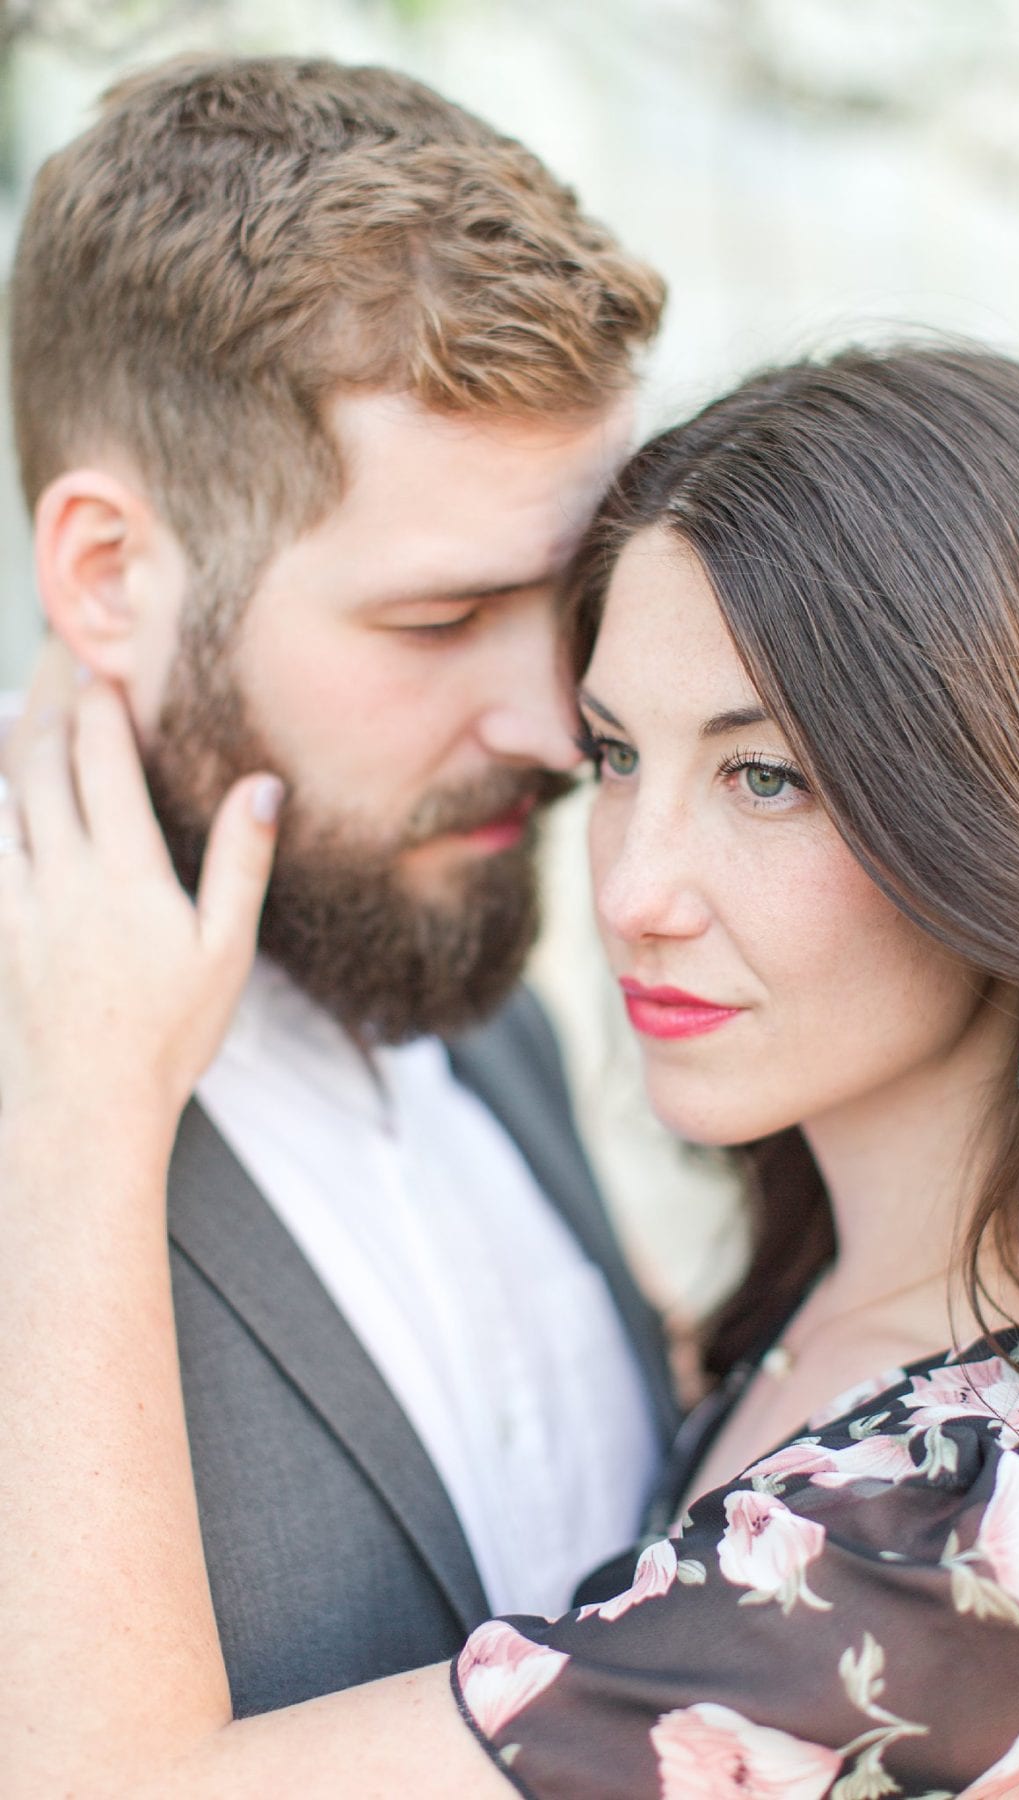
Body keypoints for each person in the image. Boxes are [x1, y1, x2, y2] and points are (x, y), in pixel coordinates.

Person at [5, 342, 1019, 1796]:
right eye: (618, 755)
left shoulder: (958, 1553)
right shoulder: (874, 1303)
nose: (636, 888)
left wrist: (86, 1106)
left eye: (767, 778)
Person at [4, 53, 678, 1715]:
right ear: (108, 575)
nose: (549, 724)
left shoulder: (467, 965)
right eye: (437, 622)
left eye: (567, 599)